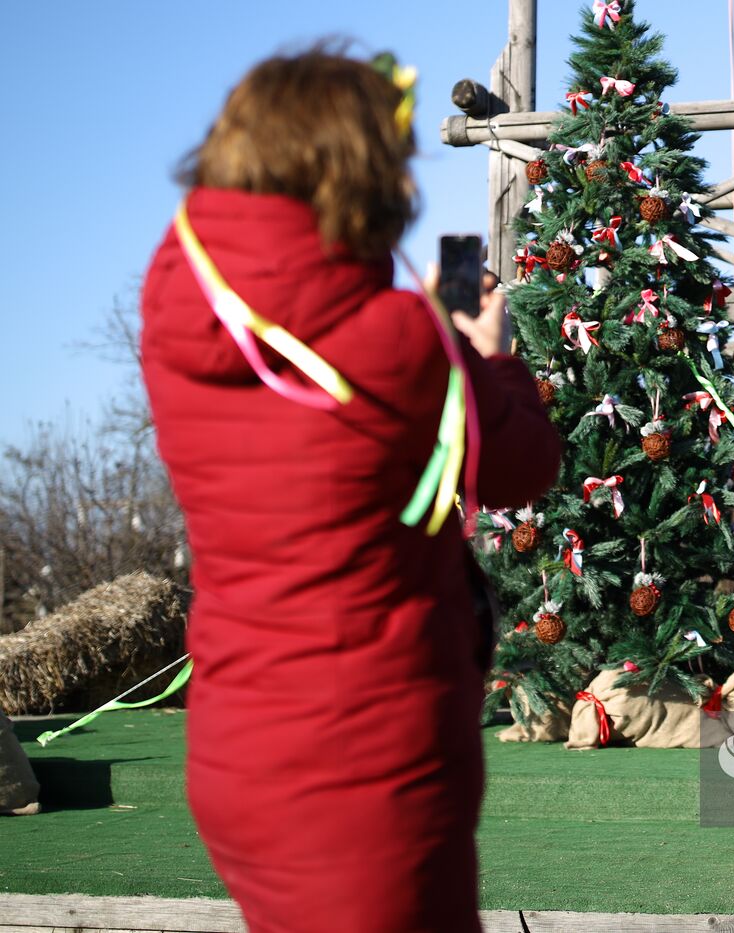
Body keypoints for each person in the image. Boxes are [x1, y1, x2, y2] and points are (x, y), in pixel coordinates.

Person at [140, 47, 560, 932]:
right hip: (364, 767)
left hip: (237, 749)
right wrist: (486, 354)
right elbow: (524, 464)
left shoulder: (182, 310)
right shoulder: (400, 342)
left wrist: (433, 338)